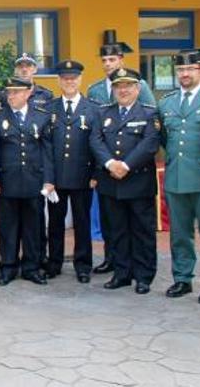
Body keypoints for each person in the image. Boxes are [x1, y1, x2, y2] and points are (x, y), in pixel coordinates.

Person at [86, 30, 156, 276]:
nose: (123, 90)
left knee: (141, 229)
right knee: (115, 228)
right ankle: (120, 270)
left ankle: (143, 274)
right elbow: (95, 137)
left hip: (136, 178)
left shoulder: (146, 105)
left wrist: (125, 165)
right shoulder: (100, 101)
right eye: (119, 86)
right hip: (109, 178)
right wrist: (107, 163)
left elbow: (150, 139)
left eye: (127, 86)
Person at [158, 49, 200, 304]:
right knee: (180, 233)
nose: (184, 74)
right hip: (176, 176)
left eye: (190, 69)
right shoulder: (168, 102)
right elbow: (165, 138)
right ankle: (183, 278)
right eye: (180, 70)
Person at [0, 77, 54, 286]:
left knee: (33, 227)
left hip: (33, 180)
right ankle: (8, 266)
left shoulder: (42, 117)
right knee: (7, 227)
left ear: (28, 93)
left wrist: (48, 179)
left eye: (16, 92)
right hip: (7, 180)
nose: (11, 96)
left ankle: (31, 267)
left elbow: (47, 151)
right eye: (9, 92)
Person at [46, 60, 100, 283]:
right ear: (59, 81)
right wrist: (48, 178)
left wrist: (96, 174)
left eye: (73, 78)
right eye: (65, 78)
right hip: (56, 179)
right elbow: (46, 146)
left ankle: (83, 264)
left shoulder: (93, 109)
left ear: (80, 80)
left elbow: (98, 144)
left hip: (83, 177)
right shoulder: (50, 108)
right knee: (55, 223)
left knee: (82, 222)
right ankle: (54, 263)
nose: (69, 82)